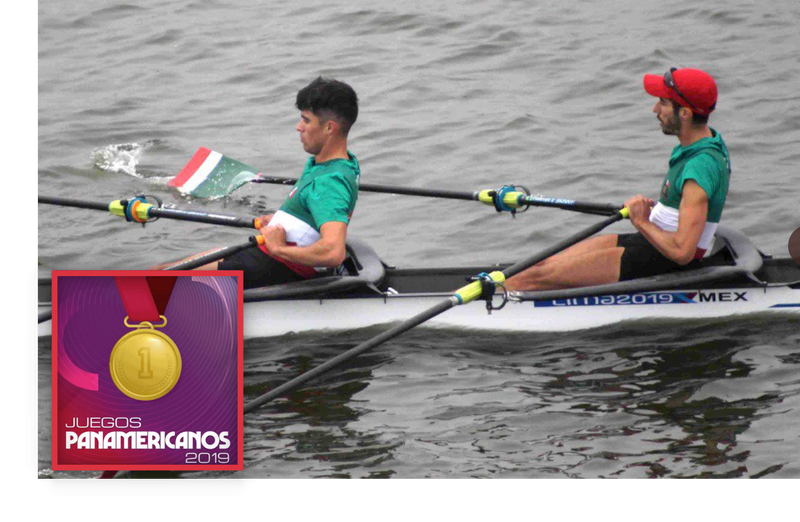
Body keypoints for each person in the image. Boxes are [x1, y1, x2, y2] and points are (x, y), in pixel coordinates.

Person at [505, 67, 731, 292]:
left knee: (535, 277)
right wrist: (651, 211)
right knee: (541, 265)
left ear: (685, 113)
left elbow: (683, 253)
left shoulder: (699, 167)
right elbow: (685, 206)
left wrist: (641, 221)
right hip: (652, 241)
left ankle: (482, 308)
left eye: (663, 102)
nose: (655, 109)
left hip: (665, 260)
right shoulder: (703, 144)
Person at [156, 77, 360, 289]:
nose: (298, 127)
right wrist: (283, 222)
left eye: (306, 120)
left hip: (274, 266)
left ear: (329, 128)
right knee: (161, 271)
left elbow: (333, 252)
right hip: (269, 258)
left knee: (157, 278)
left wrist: (278, 247)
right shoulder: (338, 163)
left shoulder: (330, 182)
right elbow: (317, 214)